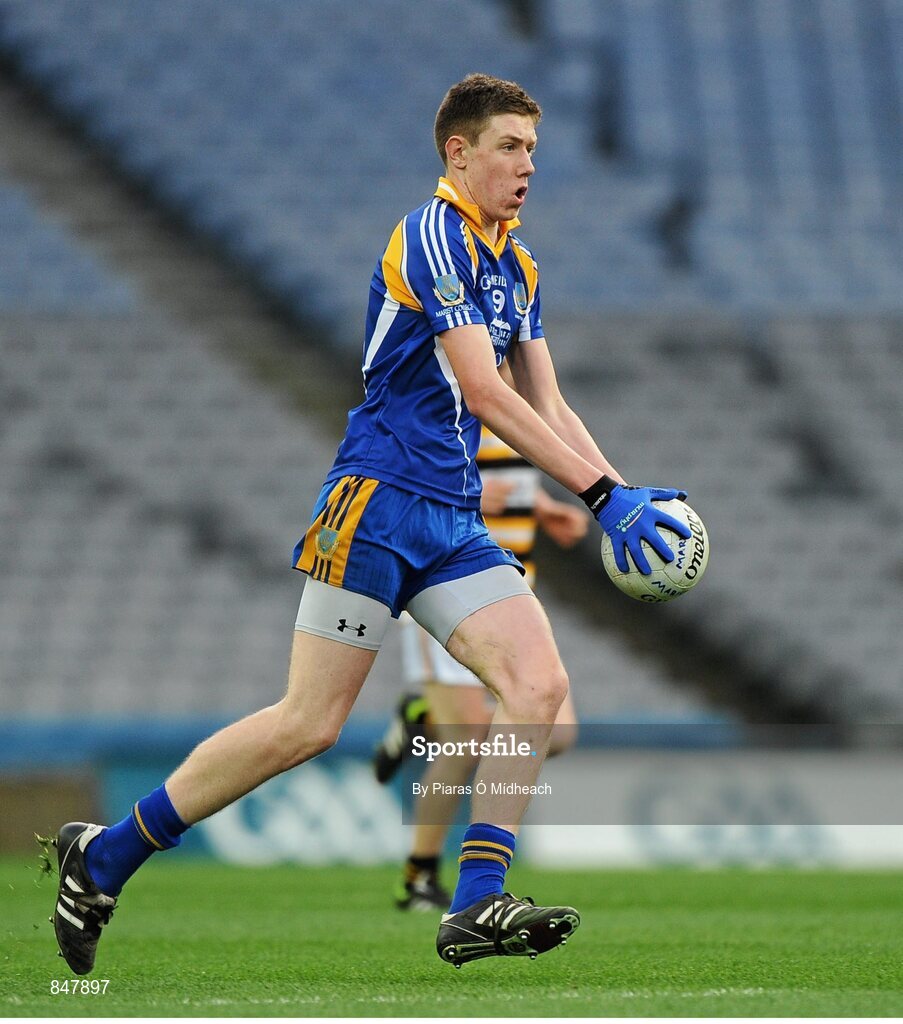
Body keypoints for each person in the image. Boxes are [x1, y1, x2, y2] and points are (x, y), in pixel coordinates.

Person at [51, 72, 691, 974]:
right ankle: (107, 853)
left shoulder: (518, 261)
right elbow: (483, 390)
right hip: (377, 507)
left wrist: (626, 497)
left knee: (537, 687)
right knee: (306, 725)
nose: (526, 166)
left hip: (452, 520)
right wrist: (597, 496)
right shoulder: (431, 235)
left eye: (533, 150)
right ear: (457, 152)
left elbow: (547, 398)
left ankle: (475, 903)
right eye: (509, 147)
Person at [374, 409, 589, 911]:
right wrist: (465, 495)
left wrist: (539, 507)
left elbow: (501, 480)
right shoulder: (451, 406)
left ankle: (424, 718)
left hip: (514, 596)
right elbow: (405, 485)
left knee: (556, 733)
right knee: (466, 742)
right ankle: (419, 876)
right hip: (450, 591)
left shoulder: (516, 414)